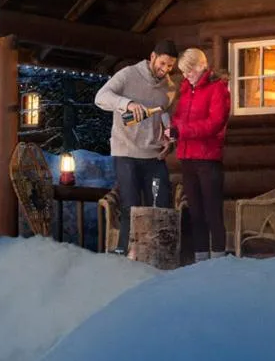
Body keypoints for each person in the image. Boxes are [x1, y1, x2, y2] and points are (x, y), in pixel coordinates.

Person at [95, 40, 179, 254]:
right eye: (162, 63)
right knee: (130, 206)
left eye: (170, 66)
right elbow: (101, 97)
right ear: (152, 57)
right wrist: (128, 104)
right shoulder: (128, 75)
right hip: (126, 153)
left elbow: (168, 117)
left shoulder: (169, 88)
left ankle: (157, 254)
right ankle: (125, 252)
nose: (165, 69)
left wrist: (171, 140)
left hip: (153, 157)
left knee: (159, 204)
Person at [166, 48, 230, 262]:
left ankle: (219, 256)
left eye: (189, 71)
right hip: (187, 158)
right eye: (184, 72)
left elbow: (215, 123)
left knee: (212, 210)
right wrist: (172, 130)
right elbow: (179, 118)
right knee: (195, 211)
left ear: (201, 66)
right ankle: (201, 258)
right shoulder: (186, 90)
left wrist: (182, 130)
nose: (186, 76)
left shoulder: (217, 89)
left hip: (208, 159)